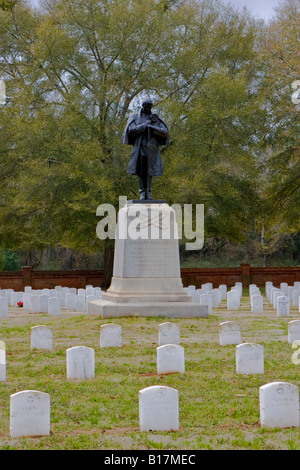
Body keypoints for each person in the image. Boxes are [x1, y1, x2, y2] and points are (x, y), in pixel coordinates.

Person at [122, 98, 169, 200]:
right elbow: (131, 130)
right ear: (143, 106)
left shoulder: (155, 118)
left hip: (152, 149)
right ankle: (142, 192)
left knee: (149, 171)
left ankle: (148, 192)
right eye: (146, 106)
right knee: (141, 170)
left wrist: (153, 128)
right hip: (140, 147)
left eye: (150, 106)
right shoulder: (135, 116)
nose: (148, 108)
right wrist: (145, 124)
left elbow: (165, 131)